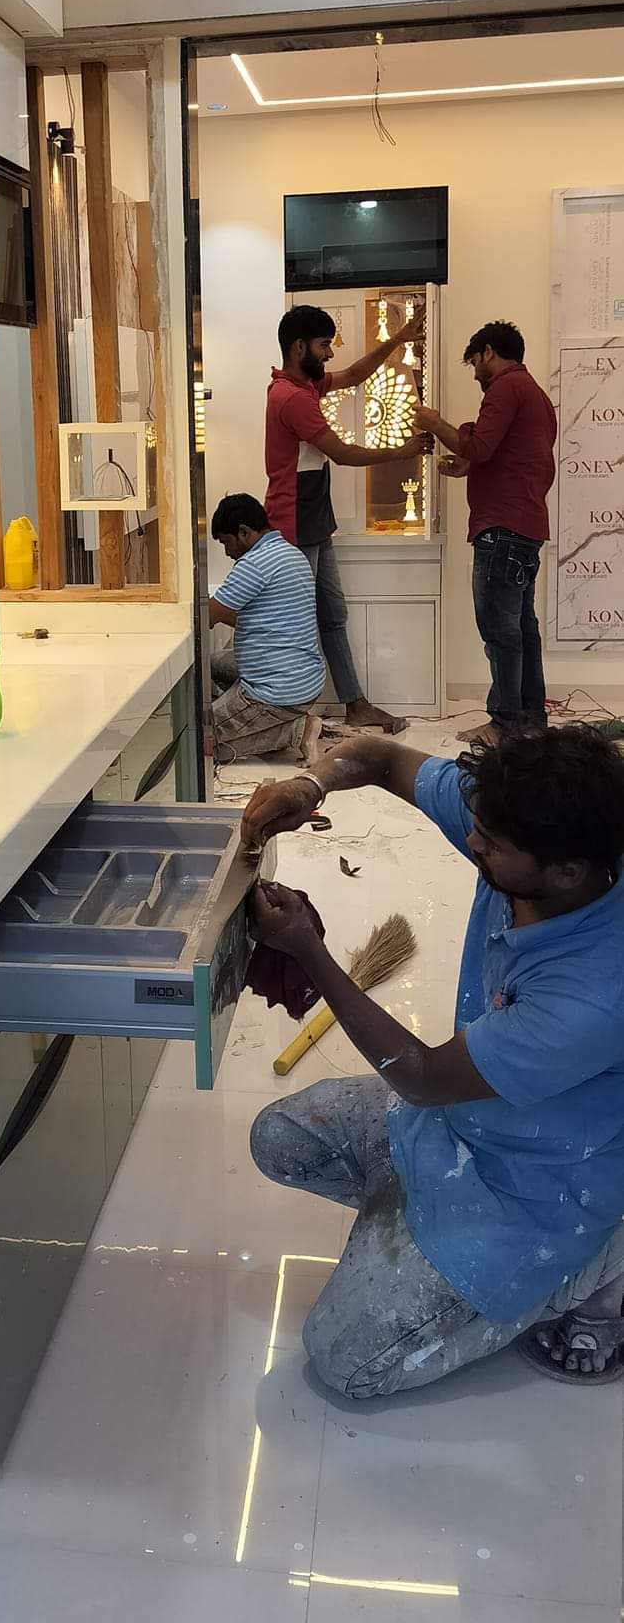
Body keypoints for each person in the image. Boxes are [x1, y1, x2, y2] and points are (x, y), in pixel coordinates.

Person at [241, 725, 624, 1400]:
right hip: (464, 1121)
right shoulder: (519, 819)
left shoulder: (592, 993)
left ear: (567, 873)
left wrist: (307, 949)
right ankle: (422, 1228)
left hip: (542, 1188)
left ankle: (596, 1265)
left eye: (491, 844)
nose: (471, 841)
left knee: (344, 1361)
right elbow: (379, 755)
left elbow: (420, 1076)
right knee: (279, 1139)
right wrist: (310, 784)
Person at [265, 303, 430, 736]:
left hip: (315, 522)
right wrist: (402, 452)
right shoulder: (292, 398)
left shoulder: (304, 386)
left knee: (332, 615)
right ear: (299, 347)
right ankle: (294, 721)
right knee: (300, 622)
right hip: (295, 526)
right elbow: (341, 453)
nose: (330, 353)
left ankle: (354, 705)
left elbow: (355, 374)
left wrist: (397, 340)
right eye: (324, 345)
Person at [417, 321, 557, 743]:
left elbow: (480, 446)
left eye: (475, 363)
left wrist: (435, 423)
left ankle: (504, 724)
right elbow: (507, 454)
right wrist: (473, 465)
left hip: (502, 528)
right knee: (523, 629)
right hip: (525, 526)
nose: (476, 373)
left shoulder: (505, 388)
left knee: (500, 631)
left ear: (489, 352)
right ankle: (530, 720)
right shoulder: (535, 394)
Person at [208, 494, 325, 764]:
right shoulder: (291, 553)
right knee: (214, 664)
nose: (226, 552)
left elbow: (208, 616)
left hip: (276, 690)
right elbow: (266, 618)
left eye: (226, 542)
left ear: (244, 532)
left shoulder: (254, 564)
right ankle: (260, 721)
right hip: (303, 677)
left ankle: (295, 731)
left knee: (199, 742)